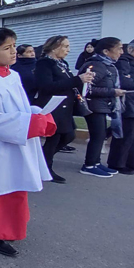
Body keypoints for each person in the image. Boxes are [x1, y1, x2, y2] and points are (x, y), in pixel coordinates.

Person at [0, 28, 57, 257]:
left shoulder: (12, 75)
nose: (14, 51)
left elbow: (18, 107)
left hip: (14, 142)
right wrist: (27, 123)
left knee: (15, 185)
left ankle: (10, 228)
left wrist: (35, 113)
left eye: (14, 46)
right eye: (7, 48)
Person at [35, 36, 95, 183]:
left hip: (66, 107)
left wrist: (84, 80)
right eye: (66, 46)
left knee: (68, 136)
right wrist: (77, 79)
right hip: (53, 106)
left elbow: (68, 83)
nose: (68, 50)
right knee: (54, 138)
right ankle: (46, 168)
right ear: (55, 47)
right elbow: (47, 86)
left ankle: (40, 161)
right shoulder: (44, 64)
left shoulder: (62, 63)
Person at [79, 37, 125, 178]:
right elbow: (87, 88)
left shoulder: (109, 65)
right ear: (106, 51)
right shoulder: (96, 65)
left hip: (103, 105)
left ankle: (96, 163)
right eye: (119, 48)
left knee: (100, 136)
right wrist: (112, 92)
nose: (121, 52)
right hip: (93, 106)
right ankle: (89, 165)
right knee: (98, 136)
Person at [108, 37, 134, 174]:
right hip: (128, 103)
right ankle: (117, 163)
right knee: (126, 136)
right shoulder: (124, 61)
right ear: (130, 49)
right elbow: (124, 82)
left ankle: (132, 163)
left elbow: (133, 81)